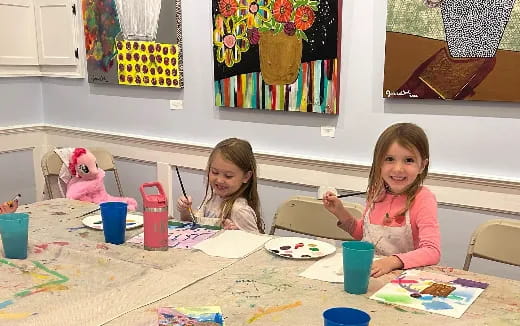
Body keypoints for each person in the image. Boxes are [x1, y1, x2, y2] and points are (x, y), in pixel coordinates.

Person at [323, 123, 440, 277]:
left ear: (422, 166)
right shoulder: (376, 193)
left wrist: (391, 262)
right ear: (379, 162)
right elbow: (364, 236)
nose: (398, 168)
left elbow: (432, 251)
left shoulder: (423, 199)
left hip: (404, 281)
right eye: (389, 159)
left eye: (409, 160)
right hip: (371, 275)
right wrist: (340, 212)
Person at [176, 138, 264, 233]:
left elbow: (256, 245)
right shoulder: (213, 196)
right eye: (215, 172)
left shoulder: (240, 210)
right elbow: (195, 225)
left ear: (246, 177)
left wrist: (237, 235)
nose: (219, 180)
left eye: (228, 176)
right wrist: (185, 211)